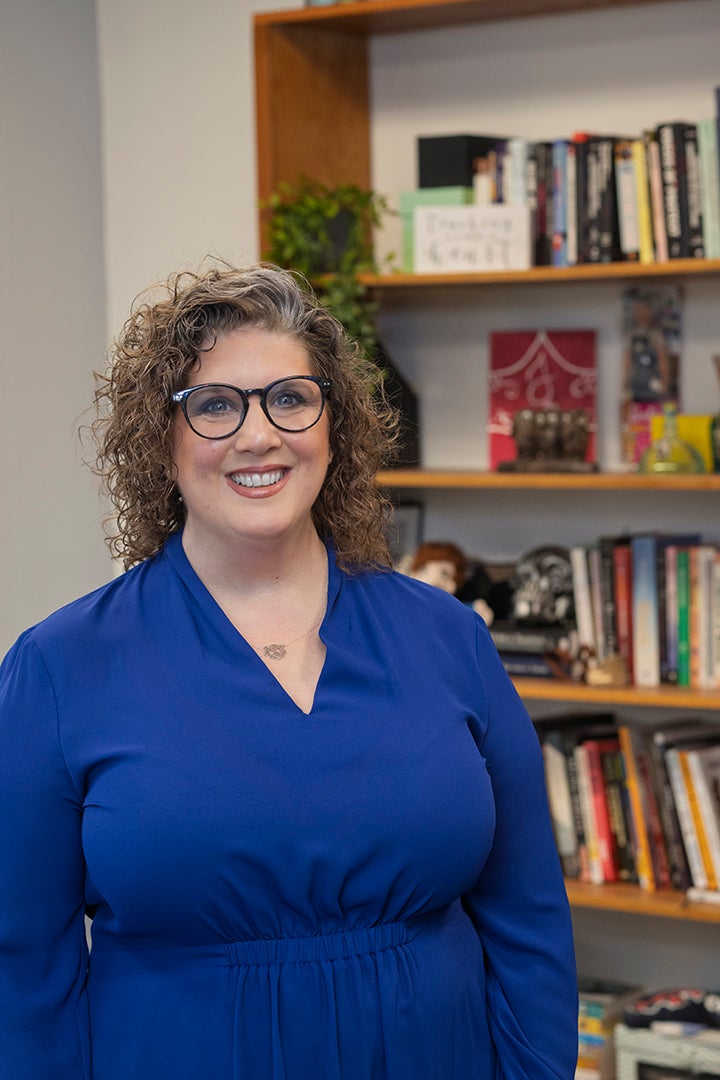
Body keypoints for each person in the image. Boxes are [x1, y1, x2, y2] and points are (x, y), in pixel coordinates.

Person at [0, 261, 578, 1079]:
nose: (258, 434)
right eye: (213, 406)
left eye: (290, 398)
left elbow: (528, 922)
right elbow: (22, 969)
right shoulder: (59, 667)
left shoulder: (448, 639)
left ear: (332, 424)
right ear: (159, 440)